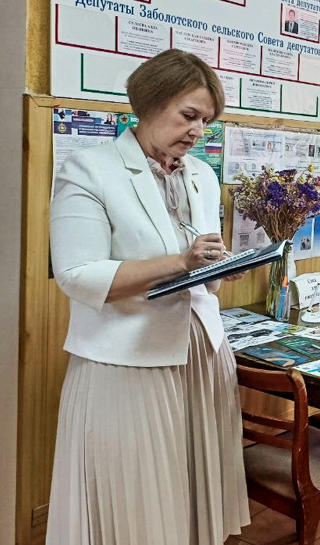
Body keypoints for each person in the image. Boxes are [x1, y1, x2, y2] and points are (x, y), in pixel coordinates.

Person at [46, 49, 250, 545]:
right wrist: (181, 261)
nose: (198, 131)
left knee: (191, 492)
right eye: (189, 115)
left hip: (203, 353)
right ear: (150, 102)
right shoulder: (89, 169)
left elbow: (204, 269)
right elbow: (76, 275)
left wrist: (221, 268)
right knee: (137, 496)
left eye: (207, 121)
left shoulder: (201, 174)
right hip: (127, 359)